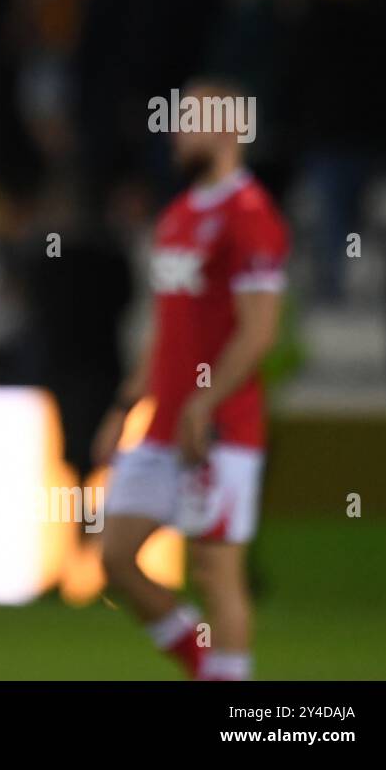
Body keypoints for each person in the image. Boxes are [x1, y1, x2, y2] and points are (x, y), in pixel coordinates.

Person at [93, 79, 289, 681]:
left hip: (223, 428)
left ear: (231, 129)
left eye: (192, 119)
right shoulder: (177, 216)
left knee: (214, 570)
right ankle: (208, 668)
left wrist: (205, 404)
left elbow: (258, 332)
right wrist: (128, 405)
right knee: (117, 559)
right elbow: (165, 326)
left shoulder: (252, 217)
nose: (177, 131)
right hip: (162, 429)